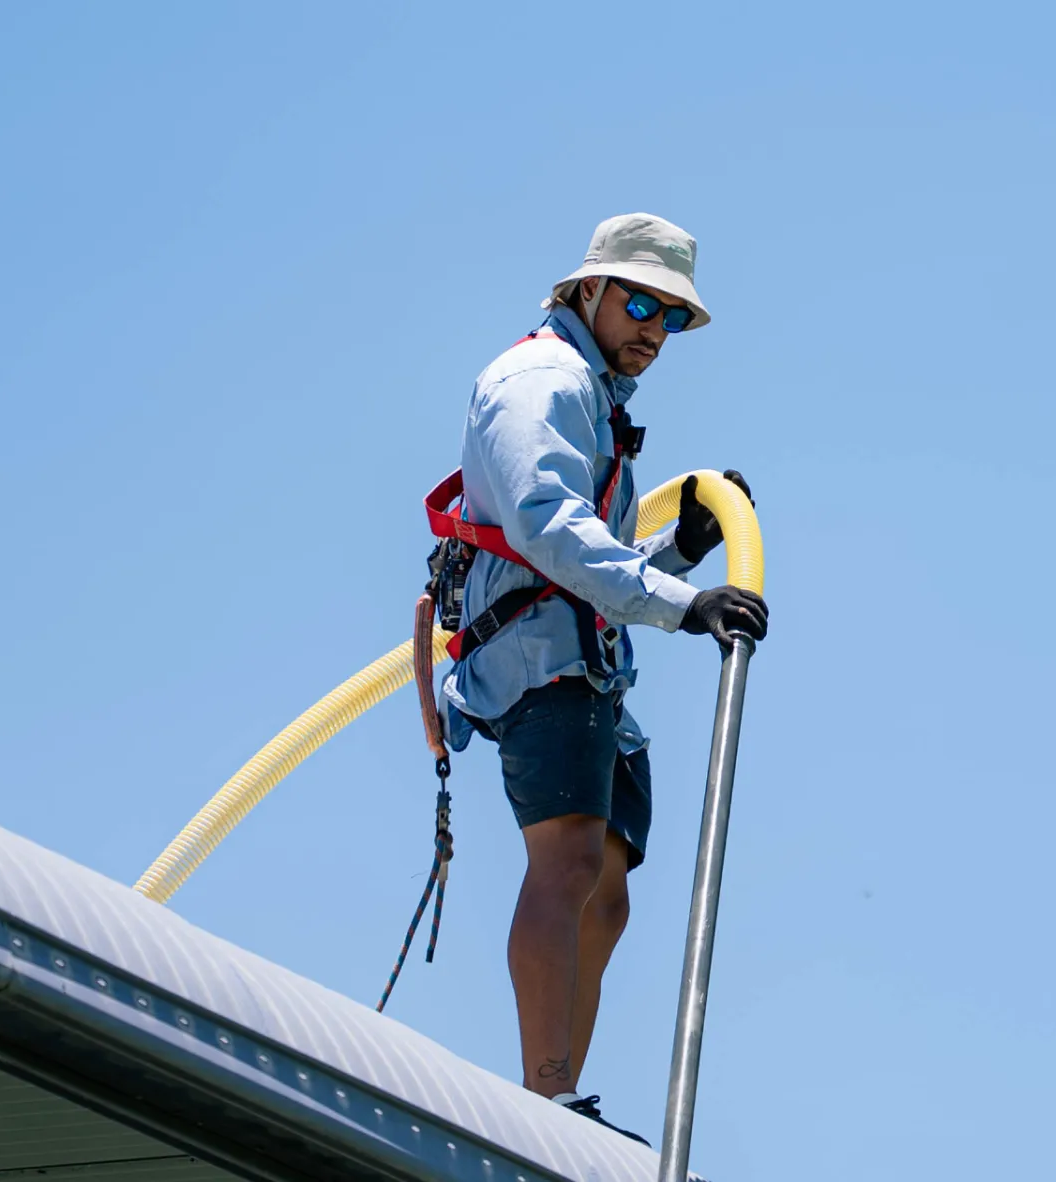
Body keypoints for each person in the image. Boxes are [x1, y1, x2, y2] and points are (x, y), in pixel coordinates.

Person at [435, 213, 769, 1141]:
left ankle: (563, 1103)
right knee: (571, 862)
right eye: (640, 302)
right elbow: (546, 526)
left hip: (588, 659)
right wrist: (681, 601)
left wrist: (676, 554)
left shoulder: (595, 390)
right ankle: (544, 1101)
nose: (654, 329)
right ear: (586, 290)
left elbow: (597, 554)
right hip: (542, 657)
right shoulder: (541, 380)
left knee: (608, 889)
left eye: (671, 316)